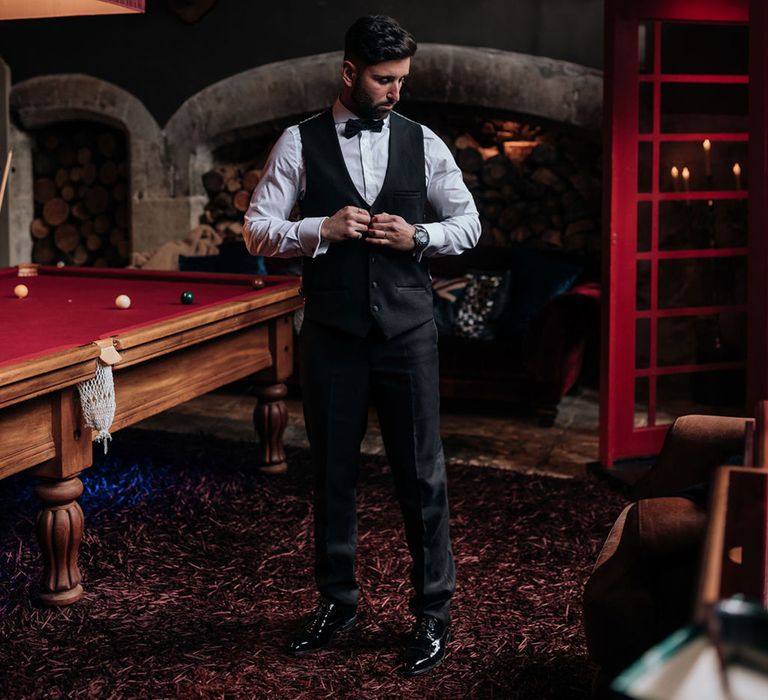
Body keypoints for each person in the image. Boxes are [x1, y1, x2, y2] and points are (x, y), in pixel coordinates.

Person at [243, 14, 480, 677]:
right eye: (385, 80)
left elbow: (469, 223)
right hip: (332, 337)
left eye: (403, 79)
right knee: (333, 477)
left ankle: (433, 612)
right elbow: (256, 231)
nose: (397, 92)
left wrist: (421, 238)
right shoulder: (298, 143)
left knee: (422, 477)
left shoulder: (422, 140)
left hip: (408, 336)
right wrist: (320, 226)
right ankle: (337, 601)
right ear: (349, 72)